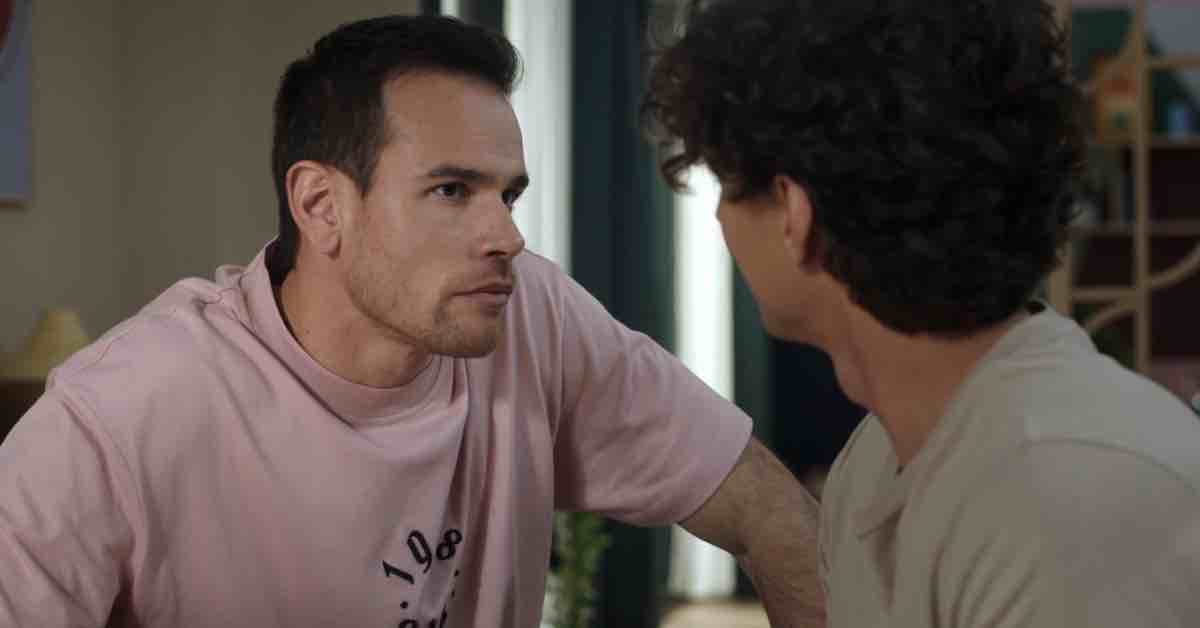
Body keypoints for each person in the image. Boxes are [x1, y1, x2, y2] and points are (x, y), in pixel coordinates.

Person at [0, 15, 825, 628]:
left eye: (509, 195)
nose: (506, 236)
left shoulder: (530, 312)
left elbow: (769, 512)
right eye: (451, 191)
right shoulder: (112, 420)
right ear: (321, 205)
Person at [645, 0, 1200, 625]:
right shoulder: (876, 463)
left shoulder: (1070, 494)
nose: (721, 218)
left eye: (725, 184)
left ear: (794, 215)